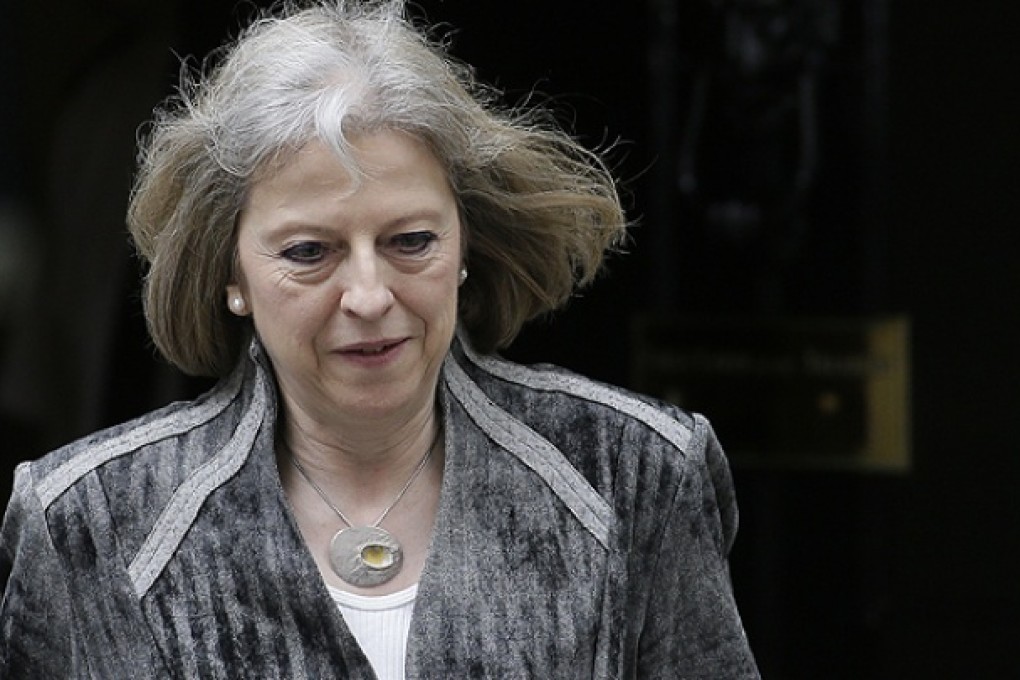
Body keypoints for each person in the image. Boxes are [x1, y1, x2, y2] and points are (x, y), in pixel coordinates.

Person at [0, 1, 759, 677]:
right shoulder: (90, 522)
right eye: (308, 252)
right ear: (230, 273)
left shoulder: (634, 476)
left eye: (409, 240)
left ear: (466, 248)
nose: (368, 296)